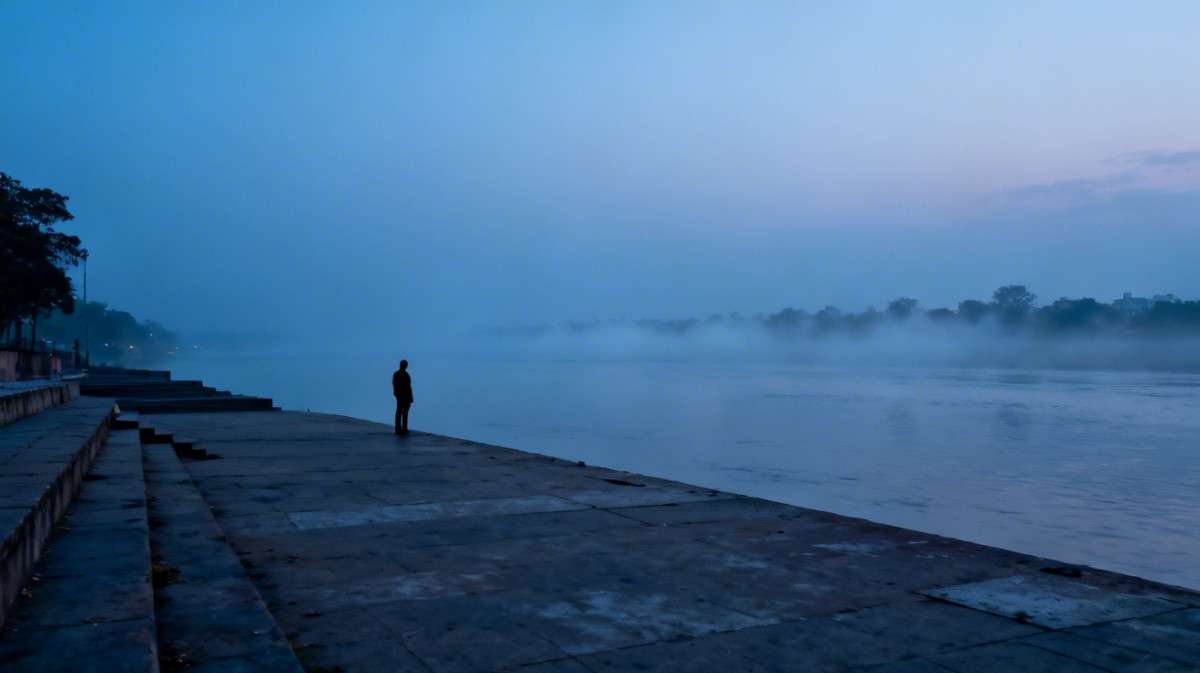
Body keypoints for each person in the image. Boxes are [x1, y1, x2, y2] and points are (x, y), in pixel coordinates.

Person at [392, 359, 413, 434]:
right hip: (405, 397)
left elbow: (394, 385)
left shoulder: (396, 374)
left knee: (399, 412)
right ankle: (403, 429)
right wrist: (411, 398)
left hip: (400, 396)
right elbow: (408, 387)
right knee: (404, 413)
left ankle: (398, 429)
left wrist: (396, 394)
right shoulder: (406, 375)